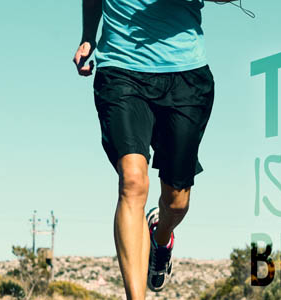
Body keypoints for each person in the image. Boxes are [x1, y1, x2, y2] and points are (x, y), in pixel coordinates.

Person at [73, 0, 229, 298]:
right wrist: (88, 37)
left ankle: (161, 236)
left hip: (187, 76)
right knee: (132, 180)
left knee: (177, 201)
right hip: (121, 70)